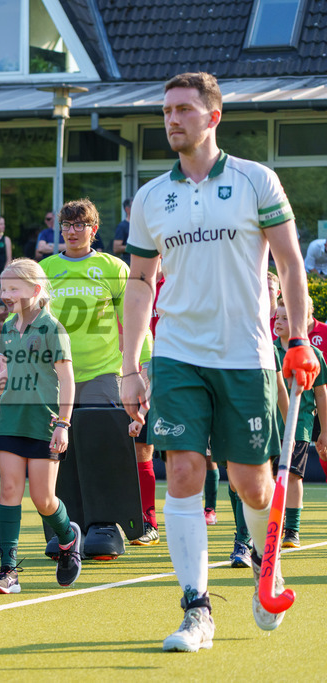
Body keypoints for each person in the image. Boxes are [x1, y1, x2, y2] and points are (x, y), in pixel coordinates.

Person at [120, 71, 319, 652]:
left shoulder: (257, 180)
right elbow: (139, 282)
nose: (171, 120)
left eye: (183, 109)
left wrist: (299, 337)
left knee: (252, 485)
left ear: (213, 116)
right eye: (165, 111)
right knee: (183, 472)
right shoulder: (153, 197)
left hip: (247, 354)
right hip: (179, 352)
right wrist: (134, 364)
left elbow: (289, 265)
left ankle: (266, 565)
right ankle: (196, 610)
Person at [0, 258, 81, 594]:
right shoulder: (8, 328)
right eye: (3, 288)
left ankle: (68, 537)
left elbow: (67, 379)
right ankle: (8, 570)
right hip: (11, 420)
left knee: (43, 499)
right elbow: (3, 378)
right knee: (9, 491)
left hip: (45, 422)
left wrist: (63, 424)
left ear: (35, 290)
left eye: (13, 288)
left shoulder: (53, 329)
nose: (6, 294)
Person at [37, 198, 131, 559]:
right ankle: (64, 526)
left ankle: (105, 525)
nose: (73, 231)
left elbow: (134, 323)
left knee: (101, 444)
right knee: (56, 449)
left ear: (94, 230)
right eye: (68, 225)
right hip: (54, 373)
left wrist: (142, 367)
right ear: (60, 228)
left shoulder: (113, 267)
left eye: (81, 225)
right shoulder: (44, 268)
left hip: (102, 371)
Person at [272, 300, 327, 548]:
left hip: (299, 424)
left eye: (285, 317)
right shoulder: (267, 350)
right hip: (270, 426)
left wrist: (324, 430)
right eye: (277, 317)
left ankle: (292, 530)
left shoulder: (313, 355)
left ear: (302, 320)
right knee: (270, 477)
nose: (279, 322)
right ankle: (273, 523)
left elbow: (321, 394)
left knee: (293, 476)